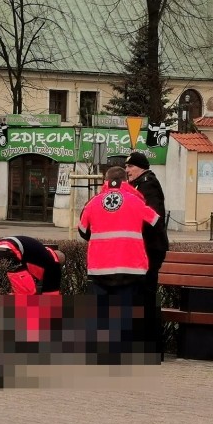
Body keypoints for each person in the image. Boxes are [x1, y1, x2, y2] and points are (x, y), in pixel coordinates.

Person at [78, 166, 159, 297]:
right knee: (124, 315)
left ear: (106, 181)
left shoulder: (92, 203)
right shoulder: (137, 201)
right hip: (131, 269)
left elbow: (82, 230)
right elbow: (155, 224)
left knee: (100, 315)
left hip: (100, 270)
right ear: (126, 181)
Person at [125, 151, 170, 358]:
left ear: (140, 167)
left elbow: (153, 218)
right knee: (143, 296)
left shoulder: (148, 184)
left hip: (150, 249)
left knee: (146, 297)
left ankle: (152, 347)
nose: (127, 171)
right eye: (126, 168)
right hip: (147, 249)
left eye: (130, 167)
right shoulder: (141, 183)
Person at [0, 235, 65, 295]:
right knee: (27, 293)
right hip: (10, 251)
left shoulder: (41, 252)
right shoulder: (54, 264)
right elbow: (51, 294)